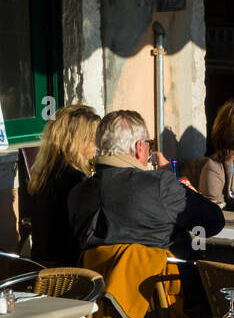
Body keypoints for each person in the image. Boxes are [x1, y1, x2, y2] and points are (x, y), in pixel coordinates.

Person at [67, 110, 224, 261]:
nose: (150, 149)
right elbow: (214, 222)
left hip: (102, 285)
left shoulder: (77, 194)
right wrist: (174, 182)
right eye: (150, 143)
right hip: (163, 284)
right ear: (139, 147)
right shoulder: (160, 185)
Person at [26, 105, 100, 265]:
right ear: (80, 142)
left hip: (42, 269)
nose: (97, 146)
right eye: (94, 139)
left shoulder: (45, 174)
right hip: (71, 275)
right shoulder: (75, 181)